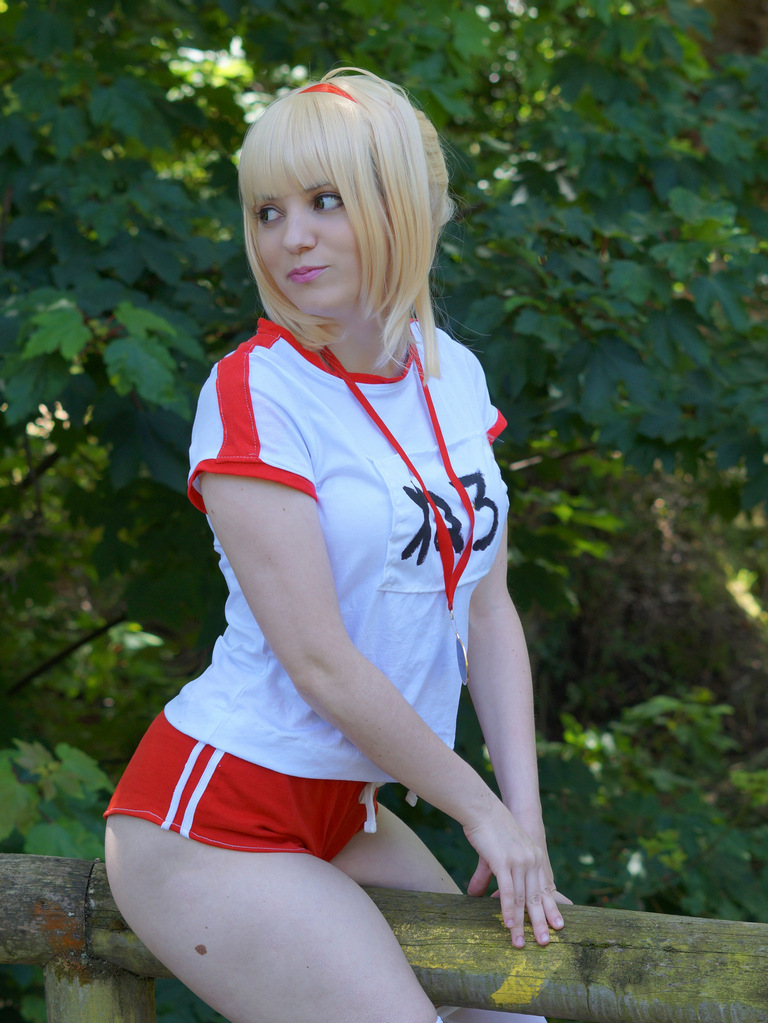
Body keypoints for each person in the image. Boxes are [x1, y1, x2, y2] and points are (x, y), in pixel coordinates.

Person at [104, 67, 570, 1023]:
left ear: (402, 206)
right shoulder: (256, 390)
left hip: (343, 810)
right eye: (268, 211)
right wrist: (475, 808)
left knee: (518, 1016)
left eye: (325, 202)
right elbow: (318, 659)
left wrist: (522, 816)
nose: (291, 237)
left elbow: (487, 604)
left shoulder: (454, 373)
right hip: (217, 817)